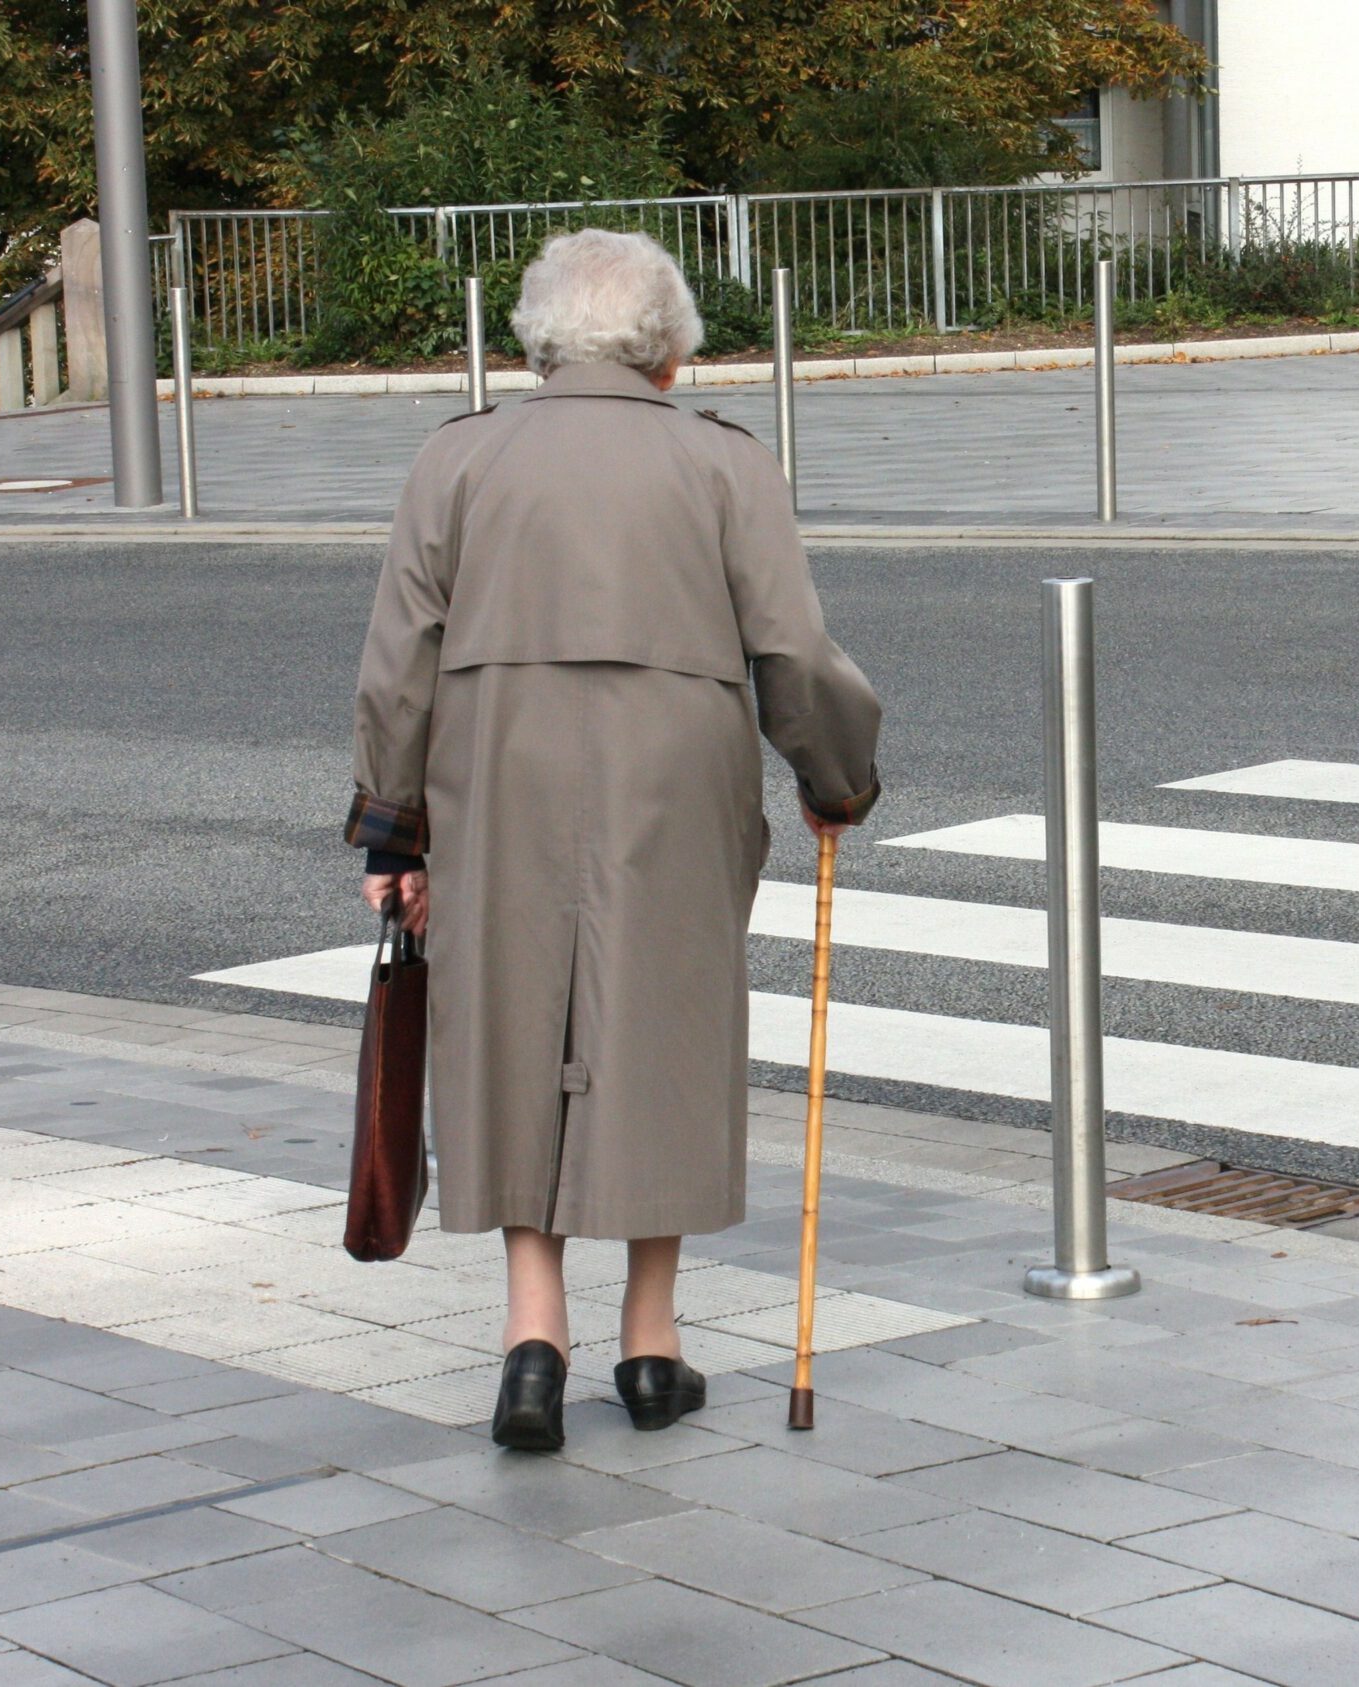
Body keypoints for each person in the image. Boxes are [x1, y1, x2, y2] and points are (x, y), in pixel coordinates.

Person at [347, 228, 881, 1452]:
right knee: (662, 1023)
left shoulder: (461, 455)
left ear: (534, 340)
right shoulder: (723, 462)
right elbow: (793, 650)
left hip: (496, 763)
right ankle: (653, 1343)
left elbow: (398, 663)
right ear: (671, 351)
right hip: (673, 768)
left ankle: (532, 1342)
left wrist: (394, 826)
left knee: (510, 1020)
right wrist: (834, 779)